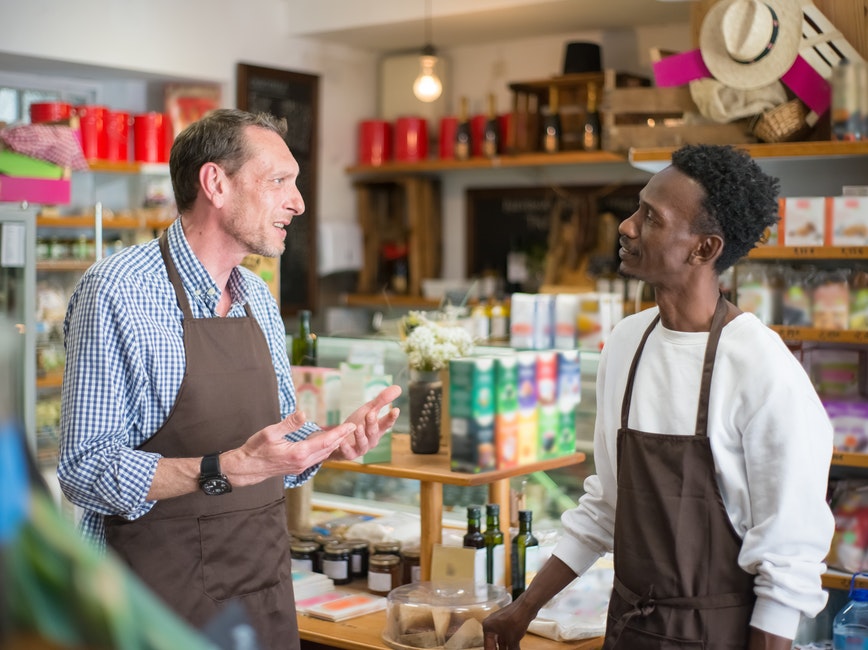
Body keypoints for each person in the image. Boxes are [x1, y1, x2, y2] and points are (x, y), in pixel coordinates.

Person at [57, 108, 401, 650]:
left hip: (261, 599)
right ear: (215, 183)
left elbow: (272, 459)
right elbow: (84, 469)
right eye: (279, 181)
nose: (299, 202)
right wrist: (223, 468)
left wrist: (323, 447)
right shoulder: (118, 292)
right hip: (153, 611)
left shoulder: (258, 300)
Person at [483, 144, 834, 650]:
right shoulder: (627, 342)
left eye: (651, 218)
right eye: (636, 208)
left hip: (719, 636)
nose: (626, 226)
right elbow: (607, 505)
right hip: (628, 630)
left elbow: (789, 564)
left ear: (704, 249)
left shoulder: (762, 367)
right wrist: (522, 610)